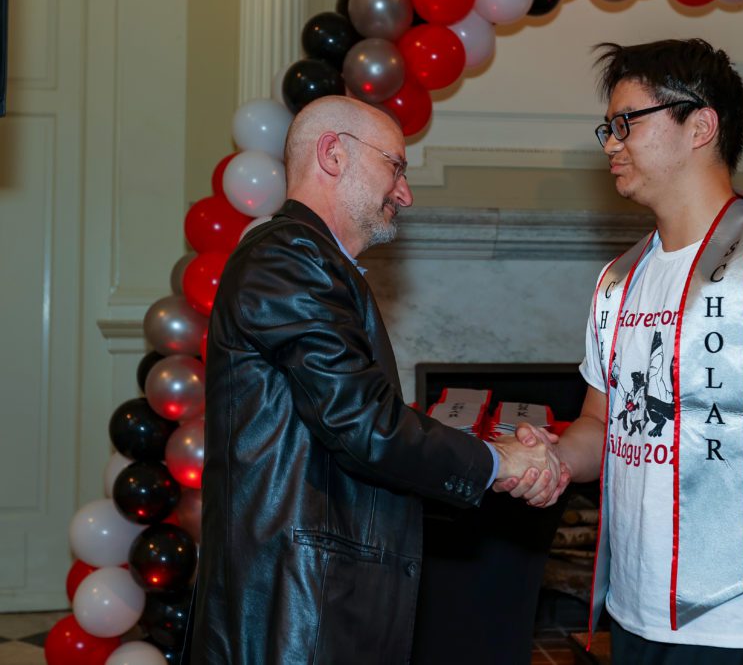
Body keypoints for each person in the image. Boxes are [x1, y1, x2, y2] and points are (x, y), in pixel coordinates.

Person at [501, 39, 743, 664]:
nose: (610, 143)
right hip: (635, 614)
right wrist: (550, 457)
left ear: (701, 125)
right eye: (608, 127)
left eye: (628, 123)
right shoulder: (618, 279)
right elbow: (603, 425)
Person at [189, 95, 563, 664]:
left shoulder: (313, 262)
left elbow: (352, 427)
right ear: (333, 154)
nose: (406, 192)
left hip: (312, 600)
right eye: (396, 165)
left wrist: (484, 451)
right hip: (294, 615)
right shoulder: (287, 258)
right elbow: (363, 423)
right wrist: (499, 461)